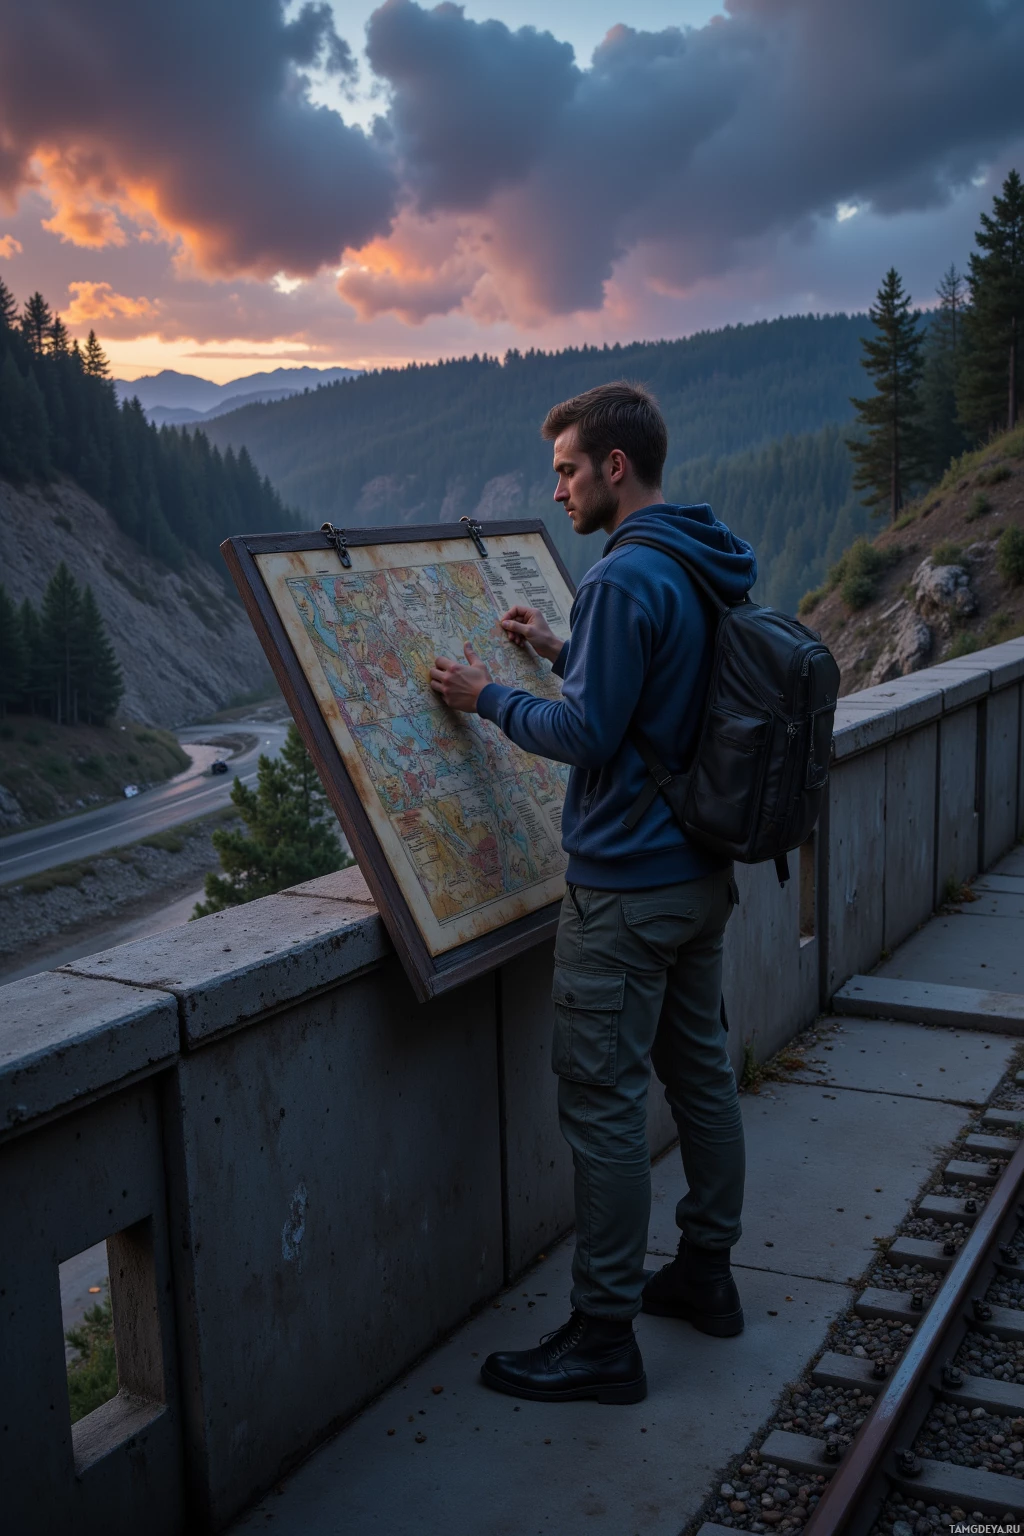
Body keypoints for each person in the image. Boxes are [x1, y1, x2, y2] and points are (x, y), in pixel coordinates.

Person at [429, 381, 757, 1405]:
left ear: (614, 466)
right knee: (699, 1076)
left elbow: (586, 736)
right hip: (701, 875)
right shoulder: (698, 556)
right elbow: (662, 691)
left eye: (568, 467)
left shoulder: (620, 579)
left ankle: (602, 1335)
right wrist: (561, 652)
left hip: (625, 891)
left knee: (604, 1105)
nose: (558, 487)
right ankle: (707, 1273)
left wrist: (489, 697)